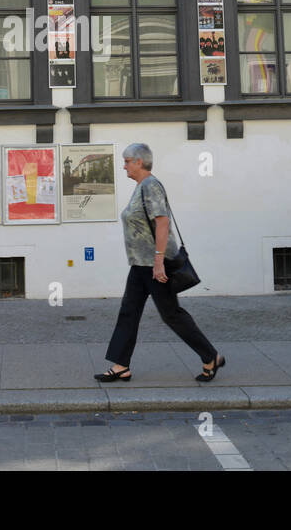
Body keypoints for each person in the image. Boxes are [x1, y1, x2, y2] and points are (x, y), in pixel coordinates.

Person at [95, 144, 224, 384]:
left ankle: (211, 356)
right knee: (129, 312)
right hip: (140, 265)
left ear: (139, 162)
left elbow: (162, 223)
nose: (124, 165)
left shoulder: (151, 186)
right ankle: (121, 365)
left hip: (155, 265)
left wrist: (158, 262)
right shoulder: (140, 187)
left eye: (126, 161)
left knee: (171, 314)